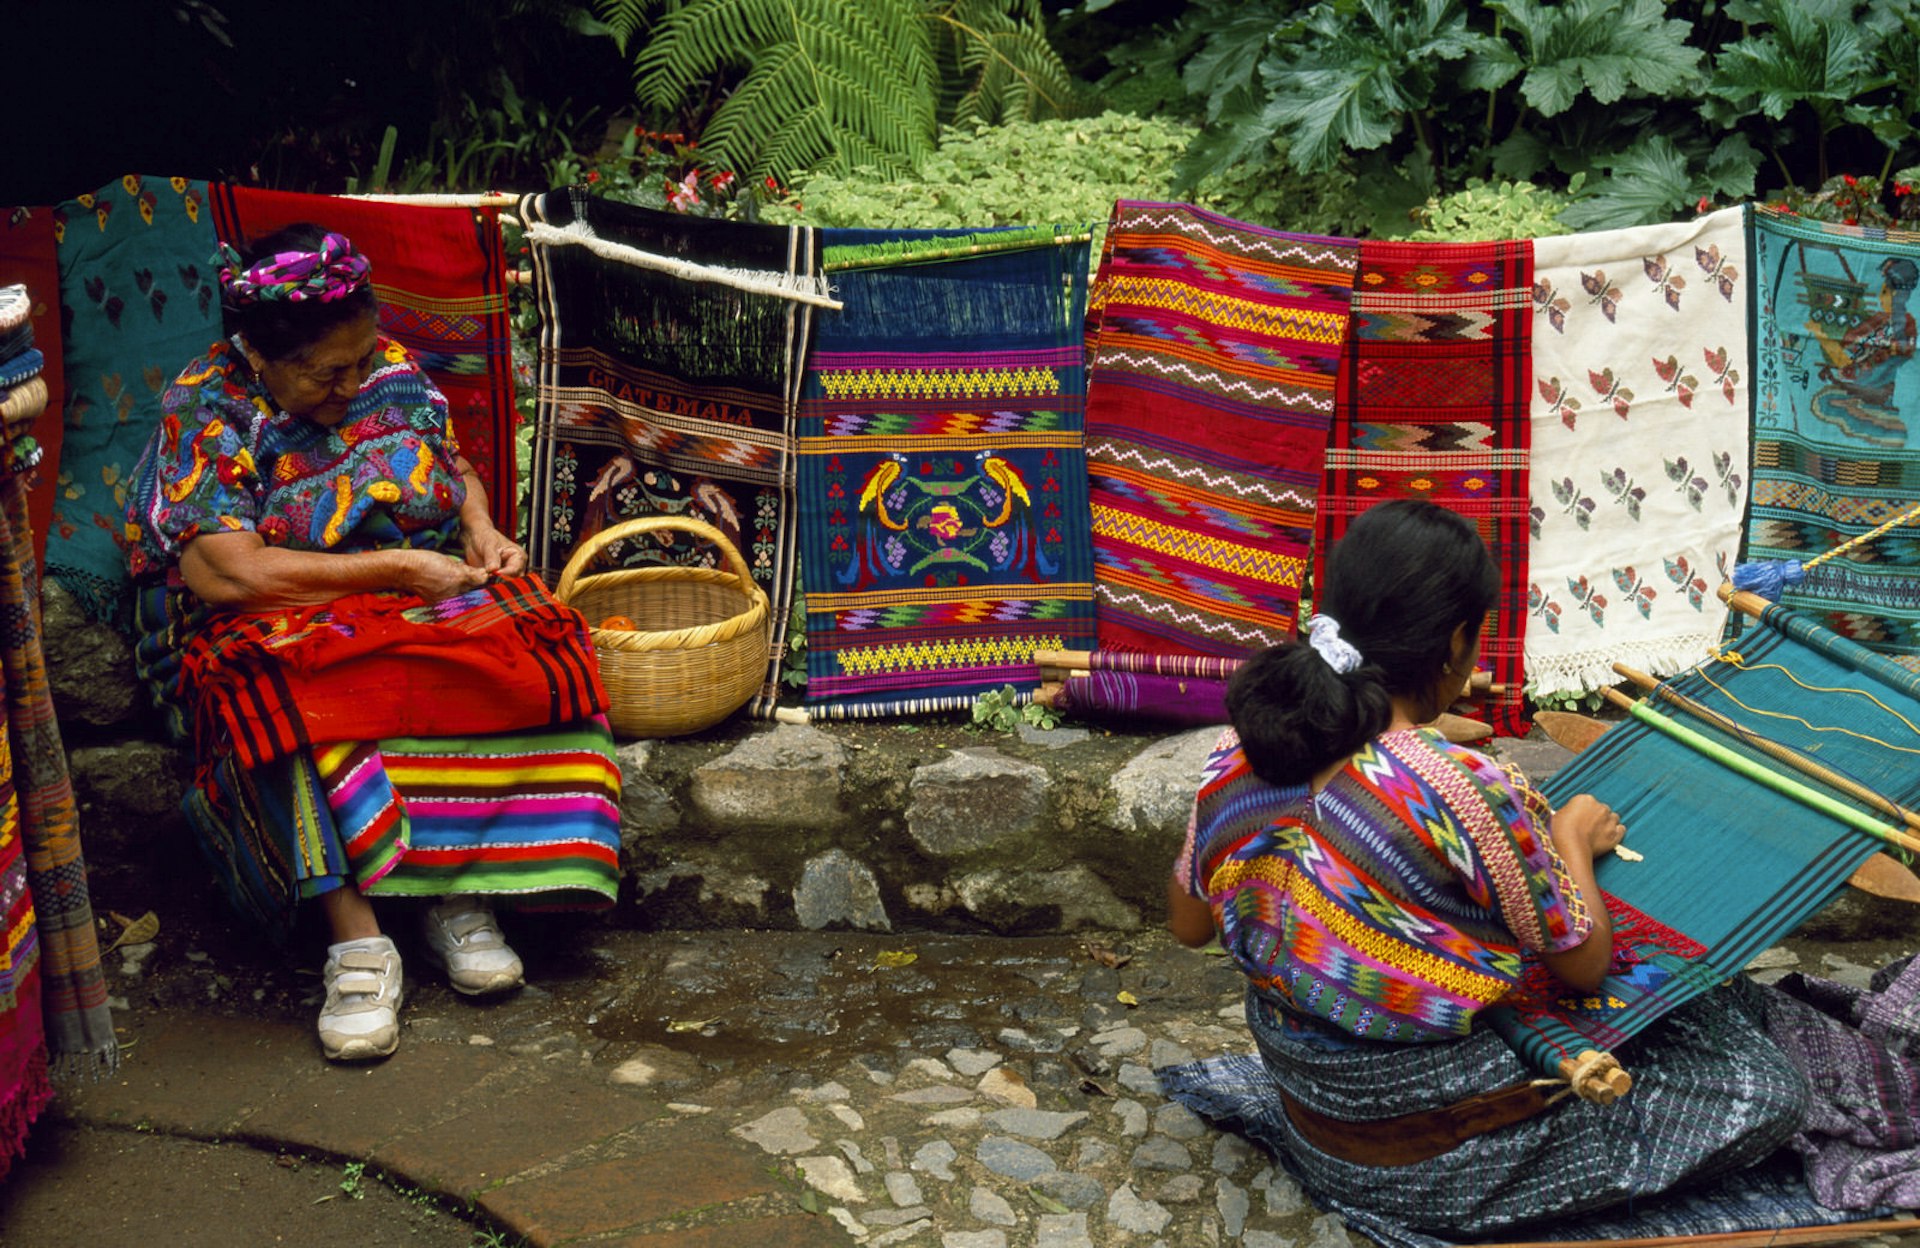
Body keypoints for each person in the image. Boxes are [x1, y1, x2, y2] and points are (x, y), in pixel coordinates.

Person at [1165, 499, 1810, 1236]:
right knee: (1766, 1092)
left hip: (1313, 1105)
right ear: (1456, 645)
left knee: (1702, 1011)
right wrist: (1570, 837)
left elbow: (1189, 924)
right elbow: (1584, 968)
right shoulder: (1458, 788)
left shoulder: (1242, 751)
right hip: (1420, 1158)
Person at [124, 224, 622, 1063]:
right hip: (262, 613)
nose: (354, 383)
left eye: (361, 361)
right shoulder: (206, 405)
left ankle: (455, 895)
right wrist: (393, 571)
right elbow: (228, 575)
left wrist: (480, 530)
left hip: (397, 588)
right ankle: (355, 939)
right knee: (298, 695)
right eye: (328, 372)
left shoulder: (381, 365)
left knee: (539, 649)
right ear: (261, 353)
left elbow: (447, 459)